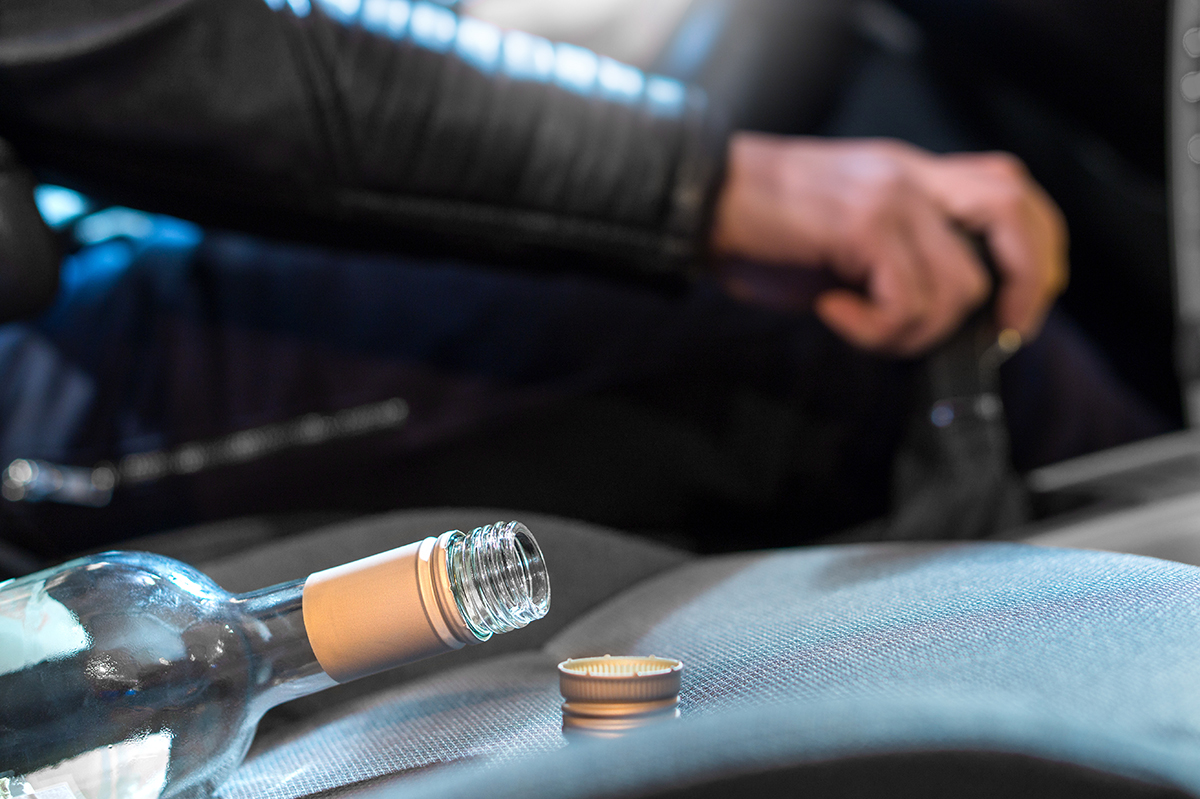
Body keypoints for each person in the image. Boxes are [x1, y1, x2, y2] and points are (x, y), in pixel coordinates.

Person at [0, 0, 1150, 557]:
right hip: (33, 400)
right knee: (889, 336)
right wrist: (711, 186)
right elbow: (183, 55)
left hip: (104, 207)